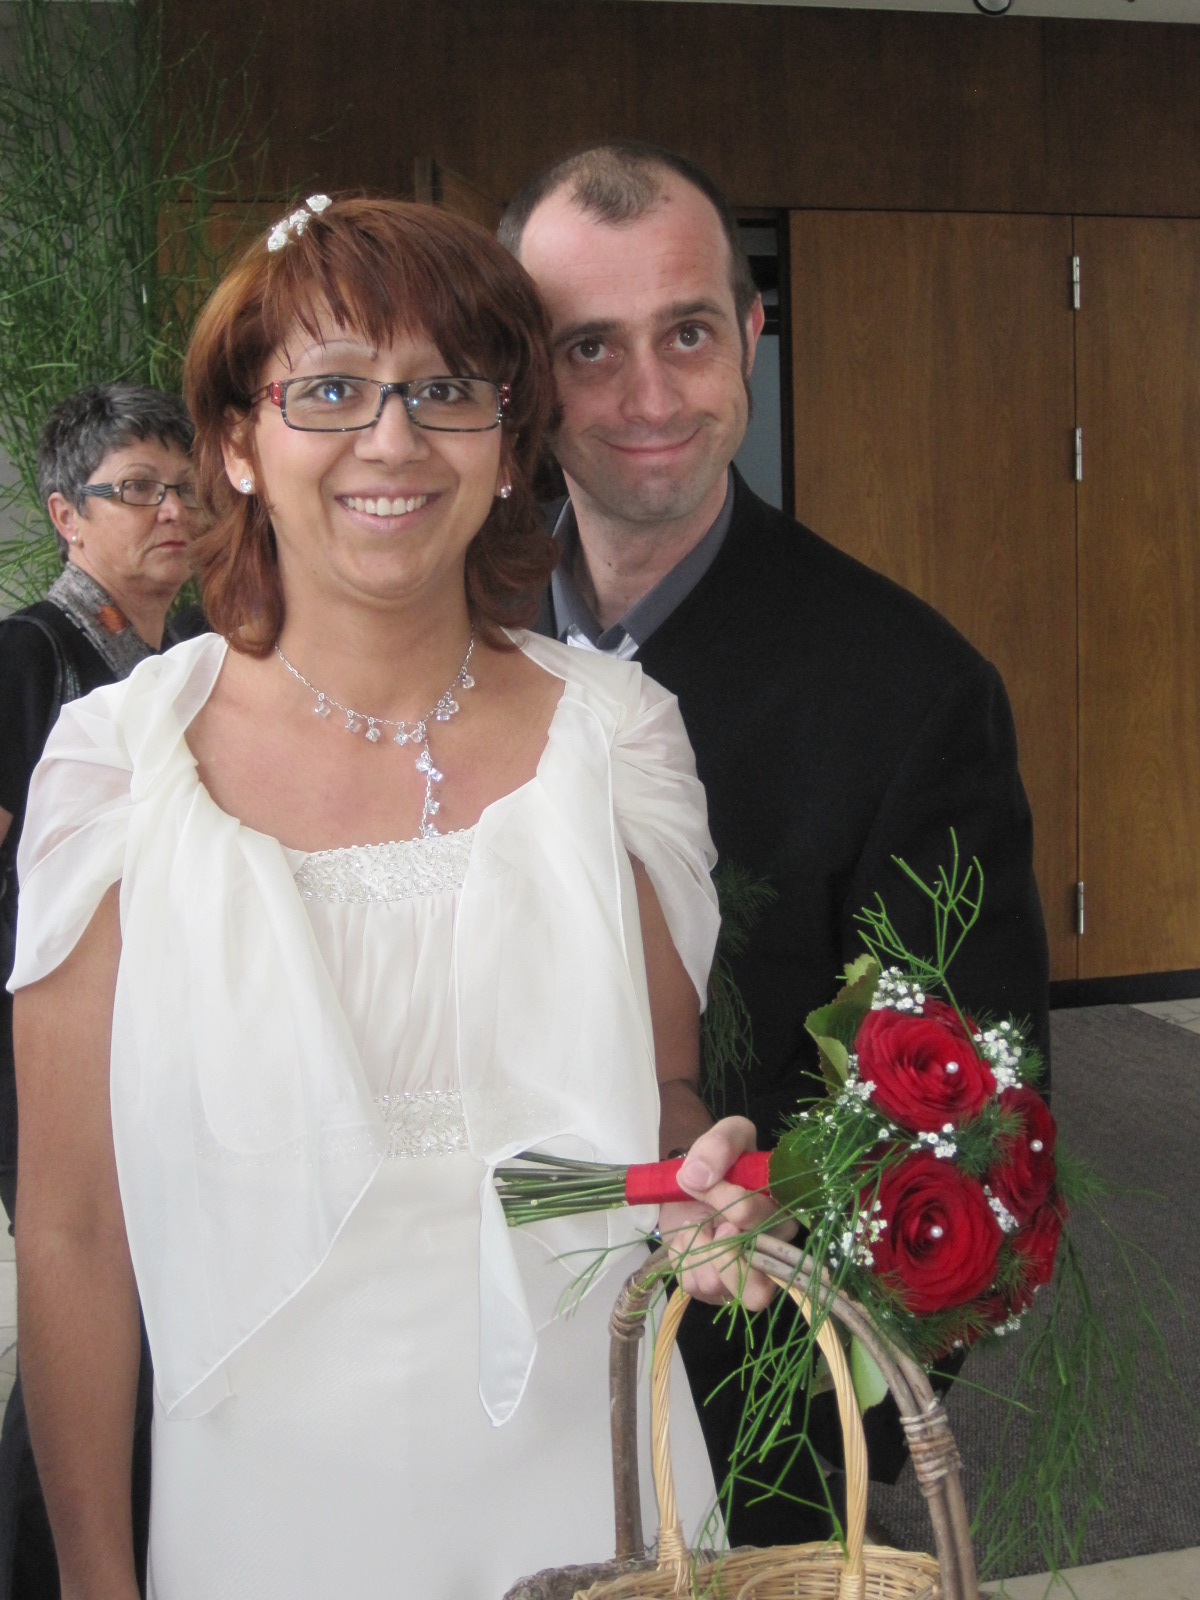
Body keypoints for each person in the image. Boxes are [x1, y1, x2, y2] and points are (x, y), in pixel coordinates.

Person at [8, 196, 778, 1600]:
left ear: (506, 438)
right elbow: (72, 1228)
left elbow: (662, 1095)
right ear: (236, 443)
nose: (392, 438)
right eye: (329, 390)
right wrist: (96, 1577)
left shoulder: (620, 739)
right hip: (264, 1505)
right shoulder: (121, 768)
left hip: (590, 1464)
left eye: (445, 388)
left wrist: (702, 1177)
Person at [500, 141, 1051, 1544]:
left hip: (745, 1403)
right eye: (589, 347)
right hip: (462, 1367)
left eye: (687, 332)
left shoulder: (908, 690)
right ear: (523, 375)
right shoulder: (441, 629)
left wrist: (805, 1273)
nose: (648, 397)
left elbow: (969, 1111)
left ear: (749, 333)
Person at [0, 382, 199, 1599]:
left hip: (171, 1050)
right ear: (67, 515)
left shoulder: (193, 661)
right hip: (57, 1060)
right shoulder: (29, 657)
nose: (173, 511)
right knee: (84, 1324)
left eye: (185, 489)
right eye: (138, 491)